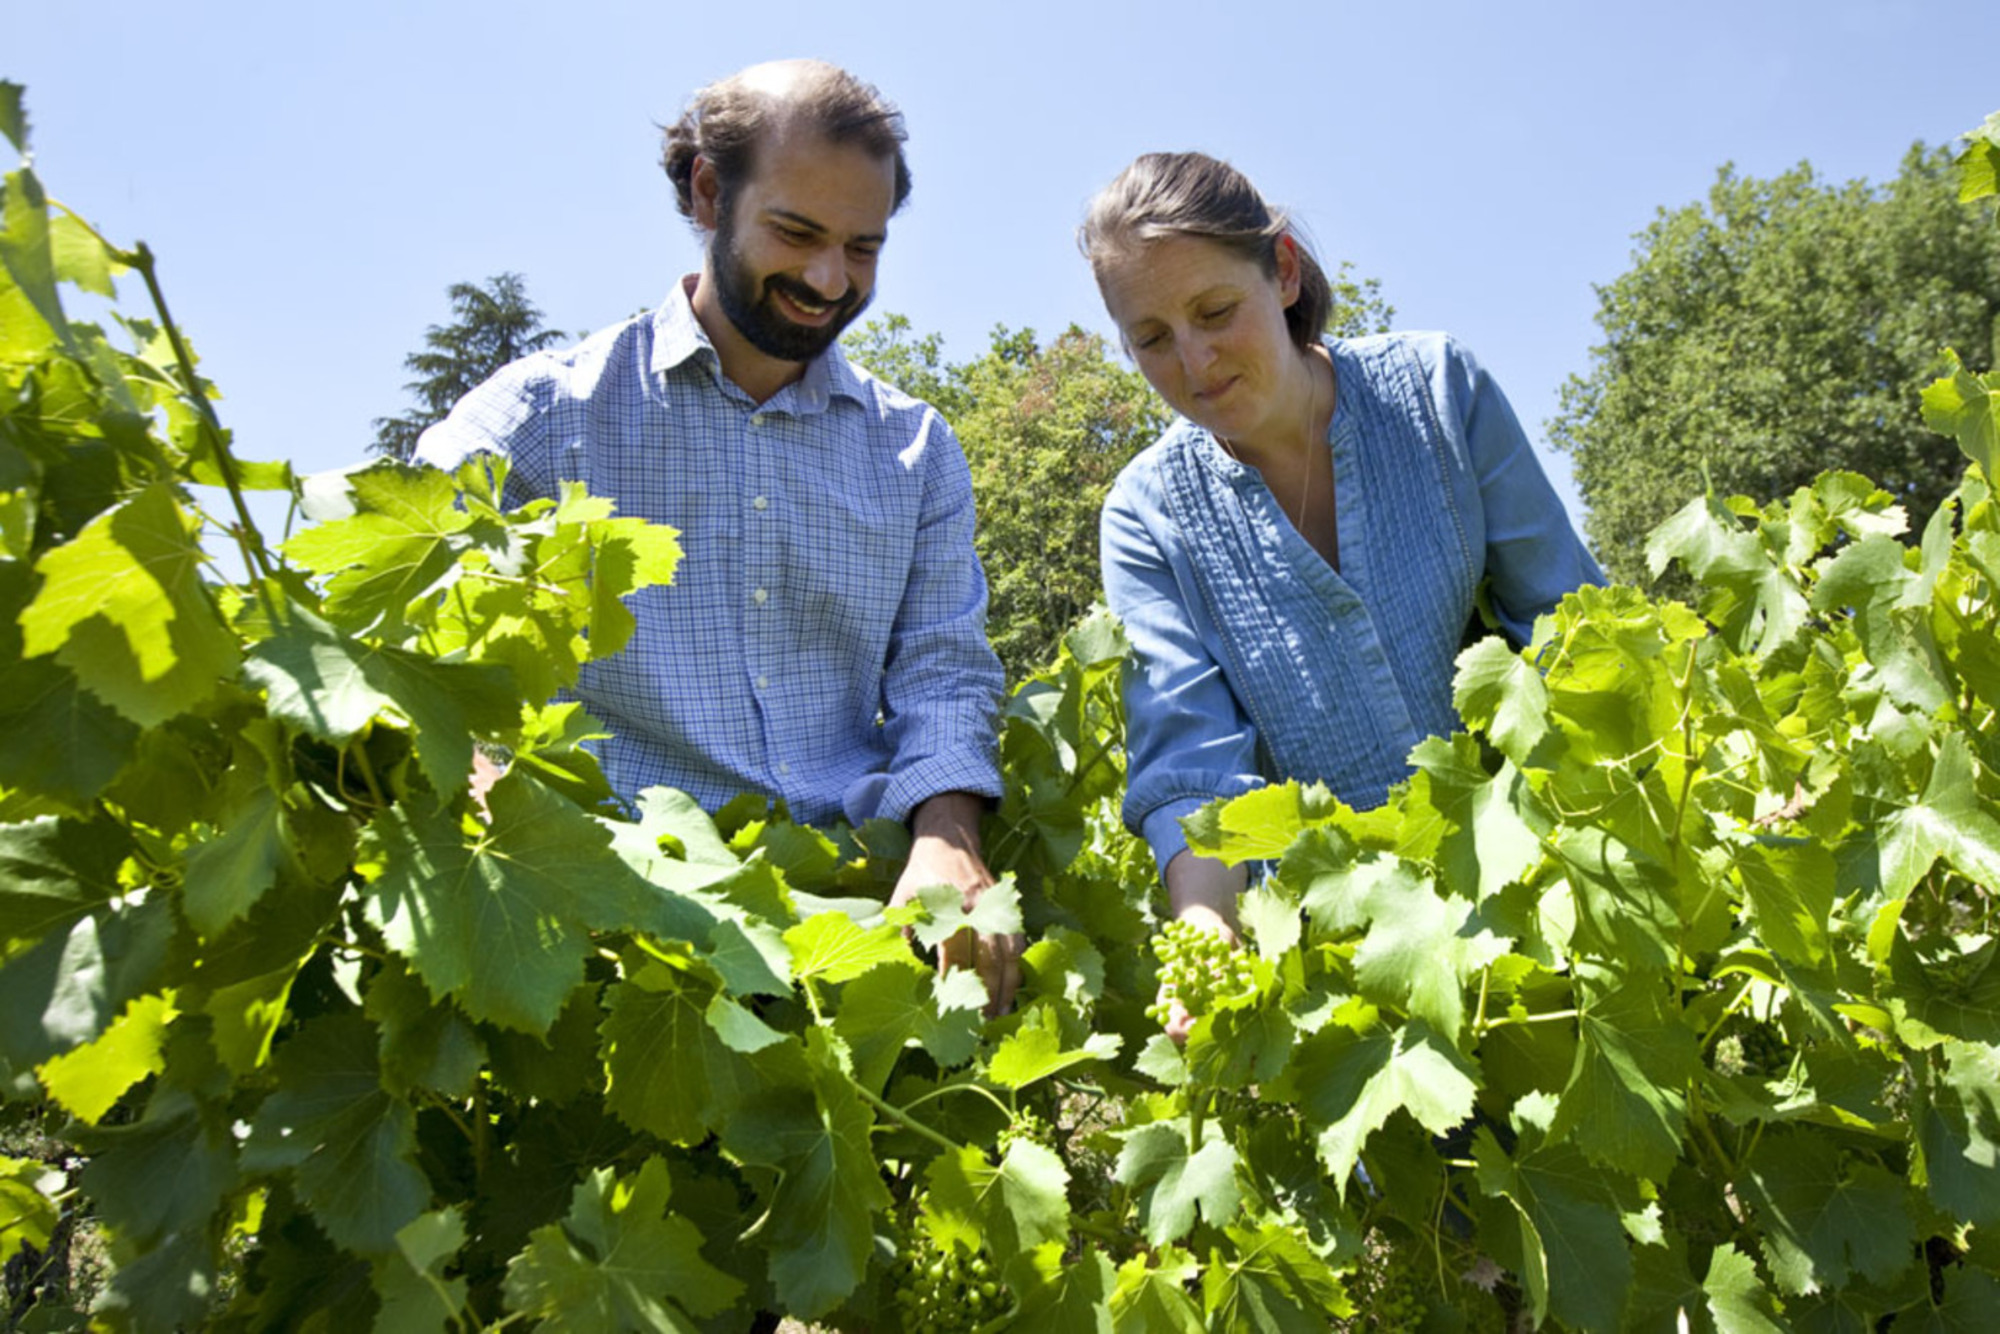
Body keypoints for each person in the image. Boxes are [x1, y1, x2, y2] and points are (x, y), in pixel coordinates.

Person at [415, 59, 1020, 1013]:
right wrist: (481, 783)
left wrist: (947, 832)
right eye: (797, 233)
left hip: (858, 929)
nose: (830, 280)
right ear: (707, 190)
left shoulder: (916, 450)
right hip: (615, 943)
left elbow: (944, 672)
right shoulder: (544, 414)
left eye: (864, 247)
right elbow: (388, 591)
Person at [1080, 153, 1601, 1038]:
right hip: (1349, 971)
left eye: (1214, 312)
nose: (1194, 362)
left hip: (1540, 886)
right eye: (1152, 338)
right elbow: (1192, 766)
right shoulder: (1146, 515)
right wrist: (1210, 926)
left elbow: (1568, 627)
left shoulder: (1439, 393)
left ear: (1282, 271)